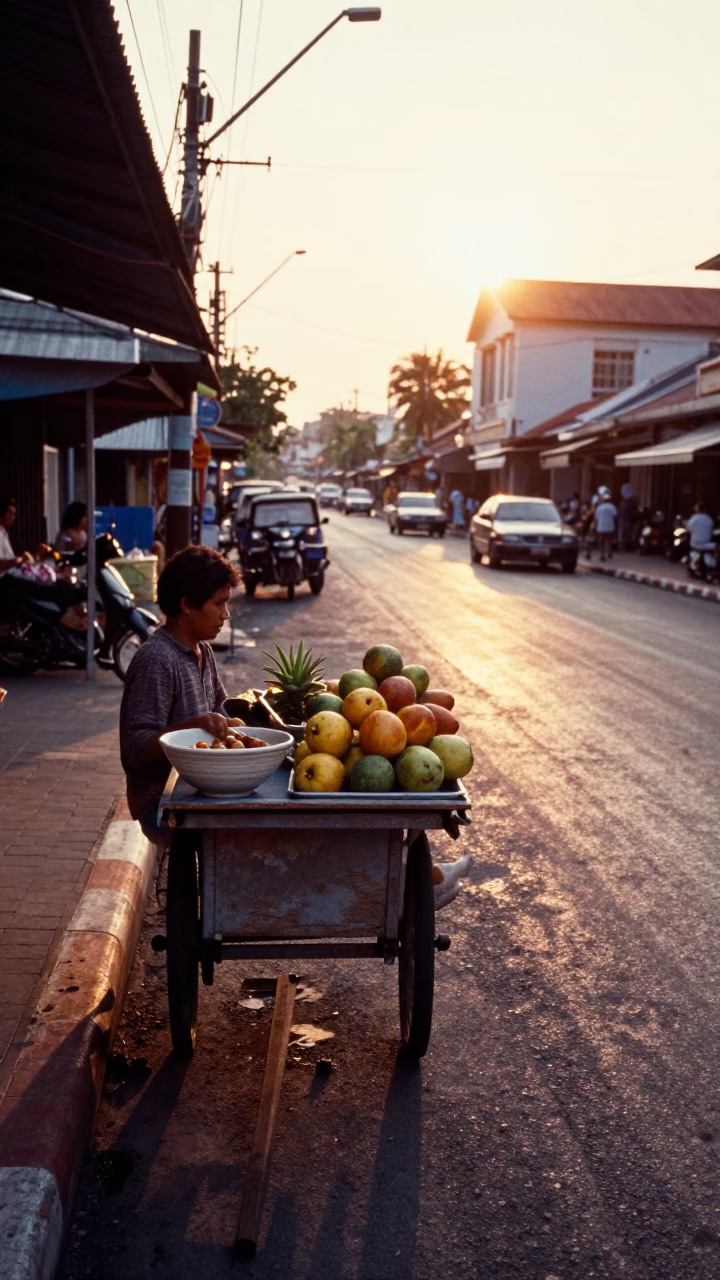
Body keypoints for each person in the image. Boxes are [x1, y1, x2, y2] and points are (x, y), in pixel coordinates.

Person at [119, 545, 241, 843]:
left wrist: (237, 724)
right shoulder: (157, 660)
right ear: (187, 604)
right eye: (219, 604)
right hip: (162, 801)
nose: (225, 615)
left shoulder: (204, 651)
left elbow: (218, 711)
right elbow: (134, 750)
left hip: (200, 787)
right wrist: (194, 726)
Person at [0, 497, 33, 575]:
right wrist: (18, 560)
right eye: (10, 514)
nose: (13, 518)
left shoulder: (4, 533)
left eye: (14, 515)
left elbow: (8, 557)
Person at [594, 489, 618, 562]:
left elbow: (596, 518)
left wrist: (595, 526)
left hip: (601, 527)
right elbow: (615, 516)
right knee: (609, 540)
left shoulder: (599, 508)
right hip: (610, 526)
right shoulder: (612, 507)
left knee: (602, 542)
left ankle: (602, 554)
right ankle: (609, 553)